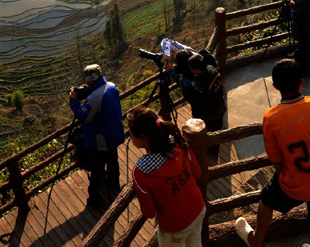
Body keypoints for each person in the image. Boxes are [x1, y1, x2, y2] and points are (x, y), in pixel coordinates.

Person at [235, 59, 310, 247]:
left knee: (266, 199)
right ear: (301, 82)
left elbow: (276, 159)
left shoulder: (271, 118)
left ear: (274, 86)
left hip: (294, 181)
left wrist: (287, 174)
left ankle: (256, 240)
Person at [129, 107, 206, 247]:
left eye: (131, 135)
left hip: (175, 226)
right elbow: (198, 173)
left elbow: (149, 212)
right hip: (198, 208)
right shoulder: (179, 143)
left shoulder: (140, 172)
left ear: (142, 138)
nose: (130, 138)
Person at [69, 63, 126, 208]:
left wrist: (74, 102)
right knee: (113, 159)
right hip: (114, 131)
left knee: (97, 168)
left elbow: (83, 117)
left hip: (101, 138)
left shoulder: (95, 97)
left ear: (87, 79)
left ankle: (95, 199)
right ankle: (113, 183)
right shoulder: (111, 86)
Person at [165, 50, 227, 158]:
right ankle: (214, 152)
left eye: (190, 67)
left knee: (206, 132)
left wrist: (171, 72)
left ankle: (206, 152)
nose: (189, 69)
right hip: (221, 106)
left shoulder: (199, 83)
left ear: (196, 69)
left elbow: (184, 82)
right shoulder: (211, 69)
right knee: (217, 130)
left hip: (210, 113)